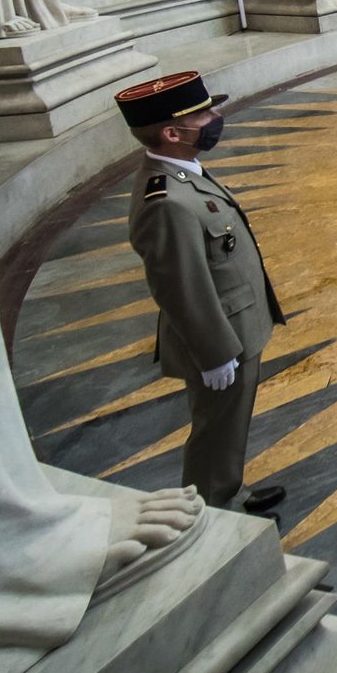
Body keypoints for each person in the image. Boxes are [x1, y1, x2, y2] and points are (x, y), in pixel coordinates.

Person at [117, 70, 287, 516]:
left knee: (229, 423)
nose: (214, 119)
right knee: (215, 427)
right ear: (172, 133)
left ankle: (228, 489)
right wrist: (213, 353)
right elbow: (181, 286)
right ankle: (211, 514)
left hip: (236, 325)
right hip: (219, 338)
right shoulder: (166, 201)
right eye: (203, 115)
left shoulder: (181, 171)